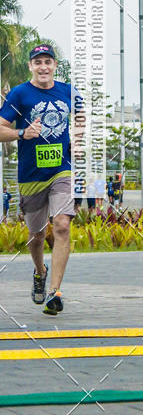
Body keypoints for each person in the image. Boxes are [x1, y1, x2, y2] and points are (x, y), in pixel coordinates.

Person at [0, 44, 81, 315]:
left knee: (62, 225)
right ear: (31, 67)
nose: (43, 67)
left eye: (48, 61)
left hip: (61, 171)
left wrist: (78, 141)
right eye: (38, 62)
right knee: (36, 236)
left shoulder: (69, 92)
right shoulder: (19, 94)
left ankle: (54, 292)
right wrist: (22, 133)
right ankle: (40, 271)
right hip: (31, 176)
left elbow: (82, 120)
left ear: (55, 65)